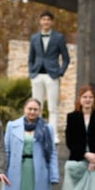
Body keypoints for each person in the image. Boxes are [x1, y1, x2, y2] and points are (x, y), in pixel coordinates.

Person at [1, 98, 58, 190]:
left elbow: (52, 152)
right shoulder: (12, 126)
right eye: (30, 108)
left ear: (40, 111)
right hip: (15, 171)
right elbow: (6, 150)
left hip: (37, 172)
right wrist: (2, 171)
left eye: (35, 109)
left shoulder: (46, 128)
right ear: (24, 109)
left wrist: (54, 175)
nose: (32, 112)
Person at [28, 11, 70, 143]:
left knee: (52, 107)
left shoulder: (58, 37)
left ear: (52, 22)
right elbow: (31, 58)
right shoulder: (34, 38)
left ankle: (53, 135)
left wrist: (60, 72)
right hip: (37, 75)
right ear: (40, 21)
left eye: (48, 20)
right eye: (43, 19)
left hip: (52, 75)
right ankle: (37, 133)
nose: (46, 22)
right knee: (36, 107)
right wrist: (31, 72)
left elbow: (66, 58)